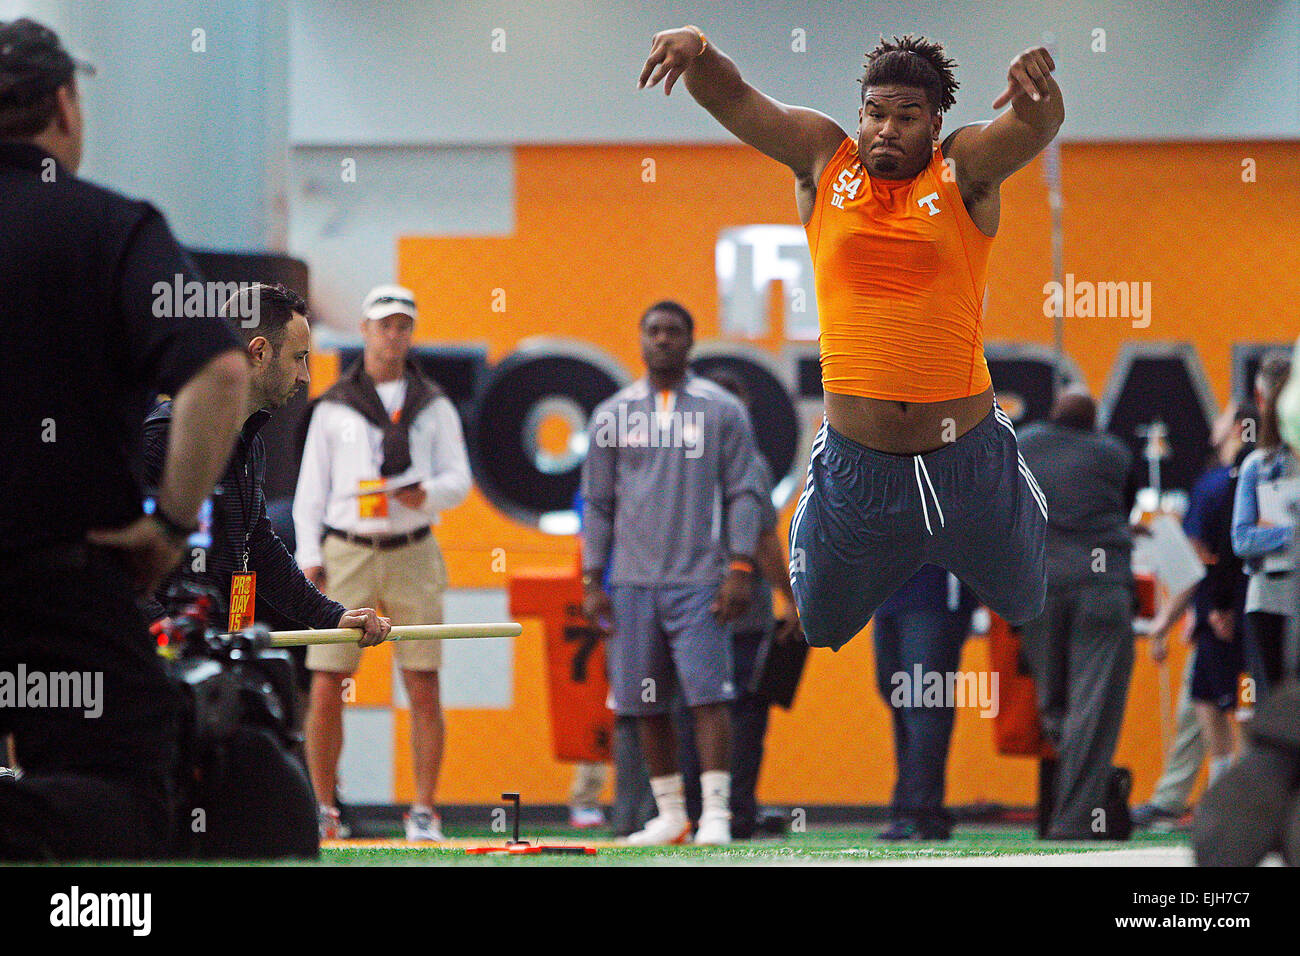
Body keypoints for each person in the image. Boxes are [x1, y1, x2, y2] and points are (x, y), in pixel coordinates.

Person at [638, 28, 1056, 652]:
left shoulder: (961, 170)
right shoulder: (822, 159)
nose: (886, 129)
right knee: (822, 626)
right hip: (859, 469)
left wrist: (1035, 94)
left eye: (907, 117)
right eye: (875, 112)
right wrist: (697, 49)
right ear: (860, 112)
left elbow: (1034, 127)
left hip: (966, 461)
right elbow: (737, 100)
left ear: (935, 123)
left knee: (1027, 601)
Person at [0, 18, 249, 859]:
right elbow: (219, 374)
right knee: (127, 796)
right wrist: (171, 526)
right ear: (65, 106)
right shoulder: (112, 228)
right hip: (61, 581)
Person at [581, 301, 768, 845]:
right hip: (633, 583)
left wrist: (740, 566)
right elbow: (597, 503)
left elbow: (745, 492)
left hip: (700, 581)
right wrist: (593, 578)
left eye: (674, 332)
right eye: (654, 331)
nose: (663, 340)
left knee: (708, 697)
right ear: (640, 339)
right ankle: (669, 814)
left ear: (690, 341)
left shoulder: (722, 410)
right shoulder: (612, 414)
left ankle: (714, 814)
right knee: (644, 701)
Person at [295, 284, 471, 841]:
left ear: (410, 334)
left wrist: (430, 494)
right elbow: (310, 490)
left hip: (412, 548)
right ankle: (324, 808)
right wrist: (310, 555)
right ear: (366, 331)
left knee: (422, 682)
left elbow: (459, 479)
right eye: (384, 324)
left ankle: (424, 809)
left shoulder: (433, 404)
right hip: (347, 549)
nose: (393, 334)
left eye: (403, 325)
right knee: (326, 683)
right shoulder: (333, 407)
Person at [139, 284, 390, 655]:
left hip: (212, 655)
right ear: (259, 352)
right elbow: (114, 565)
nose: (305, 375)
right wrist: (164, 641)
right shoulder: (166, 437)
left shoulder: (249, 444)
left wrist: (331, 617)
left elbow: (258, 549)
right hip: (163, 663)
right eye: (298, 357)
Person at [675, 368, 803, 839]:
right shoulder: (747, 460)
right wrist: (790, 598)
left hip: (683, 602)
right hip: (739, 611)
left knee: (692, 708)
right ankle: (734, 810)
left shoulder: (674, 458)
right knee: (744, 715)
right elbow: (765, 541)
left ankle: (691, 811)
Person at [1016, 391, 1136, 839]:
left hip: (1040, 586)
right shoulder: (1114, 452)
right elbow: (1125, 506)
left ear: (1051, 415)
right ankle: (1074, 821)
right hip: (1103, 588)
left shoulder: (1024, 442)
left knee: (1055, 703)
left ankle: (1079, 795)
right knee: (1094, 705)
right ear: (1095, 422)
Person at [1134, 403, 1253, 827]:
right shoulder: (1257, 475)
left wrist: (1178, 617)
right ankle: (1178, 797)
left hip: (1226, 609)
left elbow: (1198, 562)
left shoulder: (1218, 484)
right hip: (1254, 604)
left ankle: (1230, 802)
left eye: (1224, 418)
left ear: (1239, 426)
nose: (1215, 425)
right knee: (1209, 701)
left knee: (1213, 702)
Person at [872, 565, 977, 840]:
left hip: (937, 591)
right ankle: (909, 807)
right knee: (897, 695)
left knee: (926, 702)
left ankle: (923, 812)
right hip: (885, 593)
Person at [1232, 354, 1294, 702]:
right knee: (1272, 706)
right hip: (1269, 597)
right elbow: (1242, 539)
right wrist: (1291, 534)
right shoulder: (1258, 465)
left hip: (1278, 595)